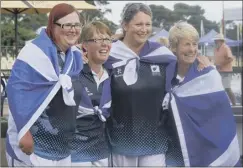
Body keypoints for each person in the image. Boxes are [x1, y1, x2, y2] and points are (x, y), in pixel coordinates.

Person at [104, 3, 211, 167]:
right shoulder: (109, 55)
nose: (144, 29)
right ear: (125, 25)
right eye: (138, 24)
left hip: (155, 141)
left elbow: (183, 74)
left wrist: (201, 64)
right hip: (120, 141)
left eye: (147, 24)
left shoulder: (161, 54)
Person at [6, 3, 83, 166]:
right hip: (36, 147)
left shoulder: (75, 57)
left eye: (76, 25)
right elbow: (15, 91)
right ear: (52, 26)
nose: (73, 29)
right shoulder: (34, 52)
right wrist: (23, 131)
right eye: (67, 25)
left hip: (63, 148)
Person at [163, 21, 241, 166]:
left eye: (195, 44)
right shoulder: (164, 74)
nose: (192, 49)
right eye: (187, 44)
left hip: (204, 150)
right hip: (174, 147)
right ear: (174, 47)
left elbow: (221, 117)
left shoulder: (209, 75)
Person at [71, 21, 112, 167]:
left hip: (102, 151)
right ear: (85, 46)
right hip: (76, 153)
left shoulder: (113, 74)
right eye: (98, 40)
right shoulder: (73, 72)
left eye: (107, 39)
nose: (104, 44)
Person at [213, 33, 237, 106]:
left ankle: (234, 104)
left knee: (227, 88)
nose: (215, 42)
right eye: (215, 40)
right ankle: (222, 104)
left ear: (220, 41)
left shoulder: (225, 47)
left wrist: (221, 64)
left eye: (216, 40)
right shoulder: (216, 49)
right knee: (219, 88)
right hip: (219, 71)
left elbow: (230, 58)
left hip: (226, 71)